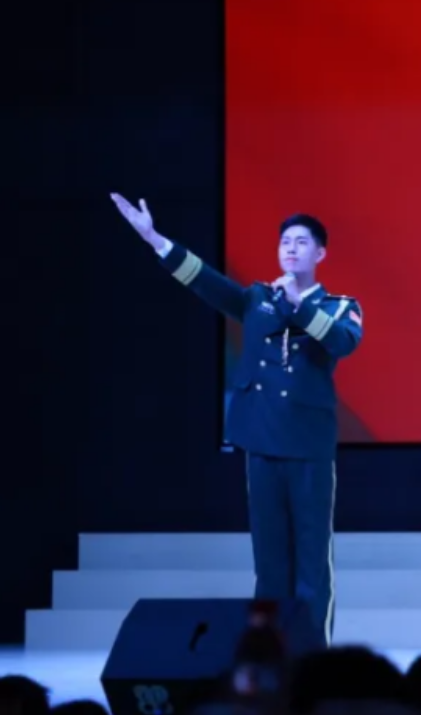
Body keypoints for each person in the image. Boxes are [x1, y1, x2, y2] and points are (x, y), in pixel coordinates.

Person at [109, 194, 361, 649]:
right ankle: (268, 658)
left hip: (308, 448)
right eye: (285, 242)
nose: (290, 249)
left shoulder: (339, 306)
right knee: (269, 565)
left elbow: (342, 343)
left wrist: (298, 304)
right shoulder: (256, 298)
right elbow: (206, 282)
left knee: (311, 564)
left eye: (301, 242)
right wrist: (155, 239)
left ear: (320, 253)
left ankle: (313, 660)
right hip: (260, 443)